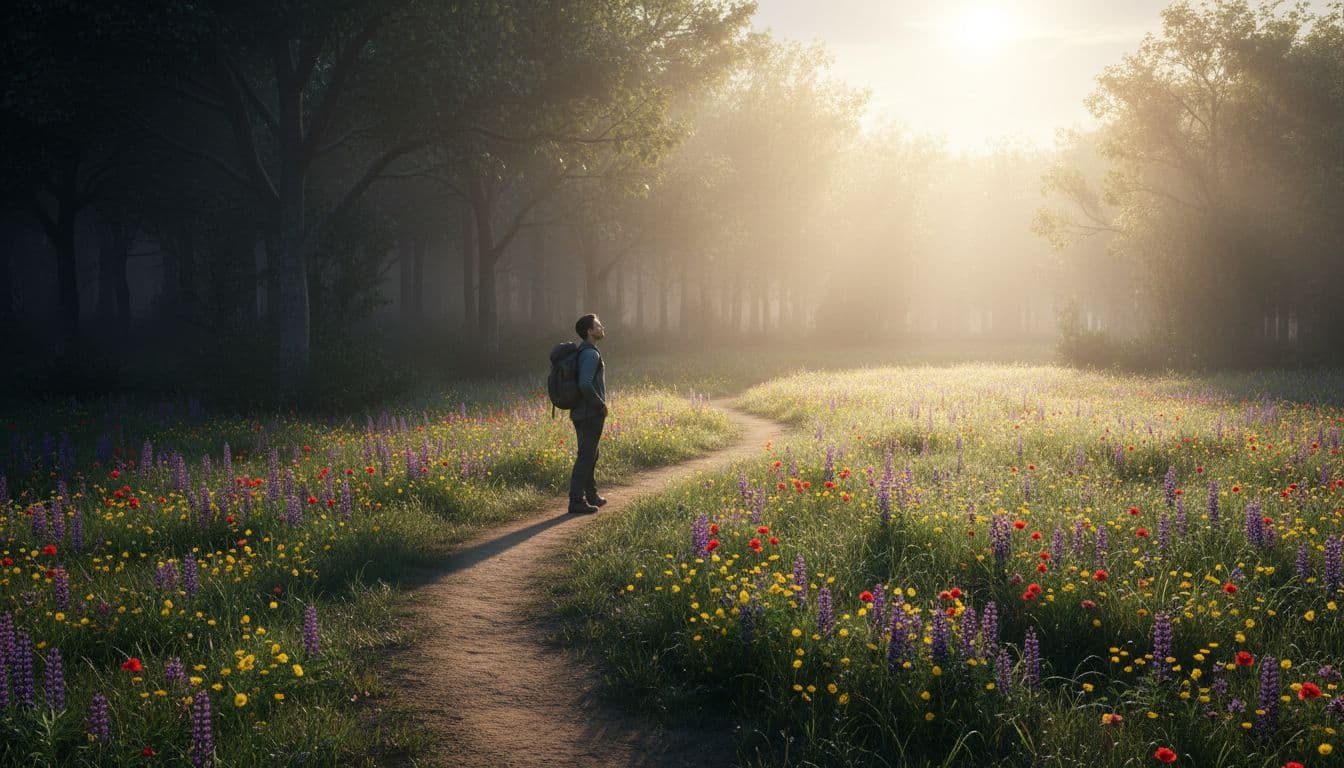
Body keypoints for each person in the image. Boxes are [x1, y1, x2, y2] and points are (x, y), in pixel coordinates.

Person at [568, 313, 608, 514]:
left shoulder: (585, 352)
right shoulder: (590, 354)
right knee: (586, 456)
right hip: (589, 414)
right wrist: (600, 403)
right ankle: (576, 501)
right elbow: (585, 383)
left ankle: (591, 495)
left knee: (592, 454)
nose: (602, 328)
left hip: (582, 412)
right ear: (589, 331)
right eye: (598, 326)